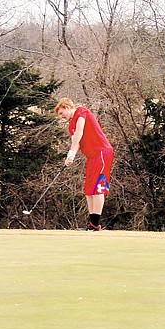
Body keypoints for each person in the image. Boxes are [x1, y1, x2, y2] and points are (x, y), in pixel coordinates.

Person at [55, 98, 114, 231]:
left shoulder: (82, 112)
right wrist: (70, 156)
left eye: (61, 113)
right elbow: (76, 141)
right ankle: (92, 224)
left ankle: (95, 224)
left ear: (68, 107)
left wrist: (71, 154)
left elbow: (80, 133)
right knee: (89, 189)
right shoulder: (71, 126)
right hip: (92, 157)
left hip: (102, 152)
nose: (61, 116)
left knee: (98, 187)